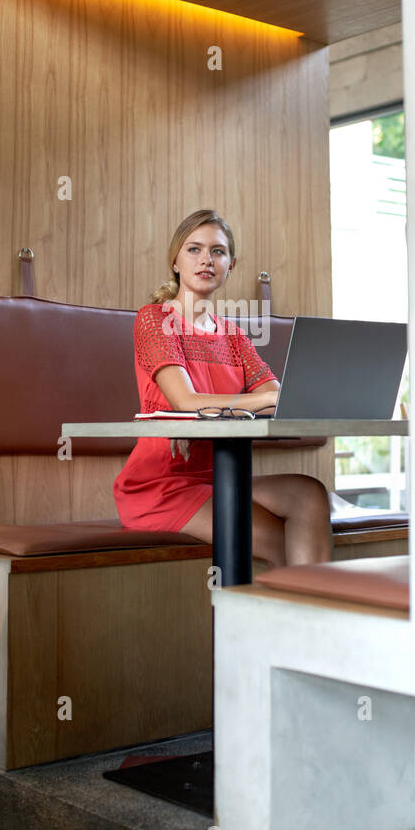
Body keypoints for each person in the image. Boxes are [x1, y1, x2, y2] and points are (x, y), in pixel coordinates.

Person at [113, 210, 332, 567]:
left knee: (309, 493)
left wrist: (279, 397)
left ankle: (314, 615)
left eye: (217, 251)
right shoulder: (155, 320)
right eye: (194, 249)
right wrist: (262, 400)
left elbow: (280, 397)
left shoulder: (232, 335)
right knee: (281, 543)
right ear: (175, 261)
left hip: (221, 474)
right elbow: (185, 402)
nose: (206, 260)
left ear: (231, 265)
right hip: (161, 485)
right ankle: (303, 613)